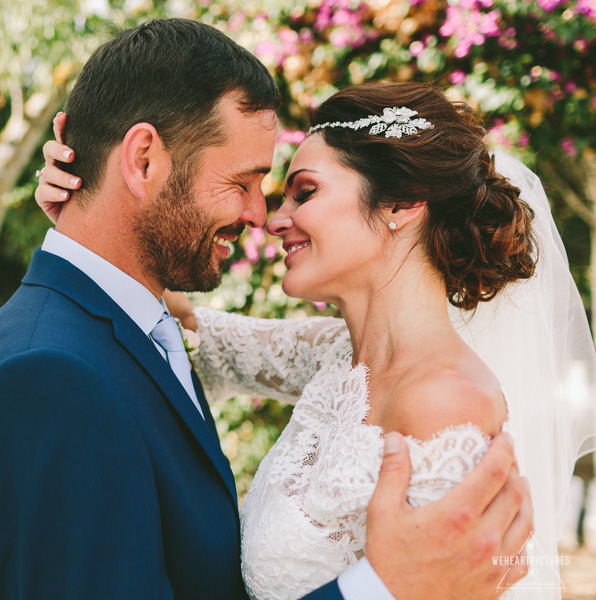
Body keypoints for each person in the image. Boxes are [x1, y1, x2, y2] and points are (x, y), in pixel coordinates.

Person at [0, 19, 532, 600]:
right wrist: (380, 591)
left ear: (402, 204)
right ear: (142, 161)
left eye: (303, 191)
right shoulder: (49, 382)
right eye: (245, 182)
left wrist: (94, 220)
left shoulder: (132, 336)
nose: (260, 216)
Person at [37, 79, 596, 598]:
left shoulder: (449, 403)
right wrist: (88, 211)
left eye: (304, 193)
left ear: (402, 202)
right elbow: (176, 328)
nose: (272, 220)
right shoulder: (333, 356)